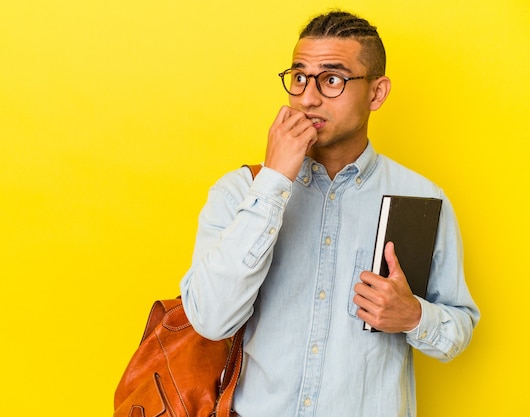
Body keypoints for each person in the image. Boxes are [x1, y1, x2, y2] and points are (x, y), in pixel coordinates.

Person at [180, 10, 479, 417]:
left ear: (377, 93)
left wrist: (414, 316)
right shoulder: (240, 192)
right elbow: (212, 320)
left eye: (333, 79)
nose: (307, 97)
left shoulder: (421, 200)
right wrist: (273, 183)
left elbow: (458, 328)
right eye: (300, 77)